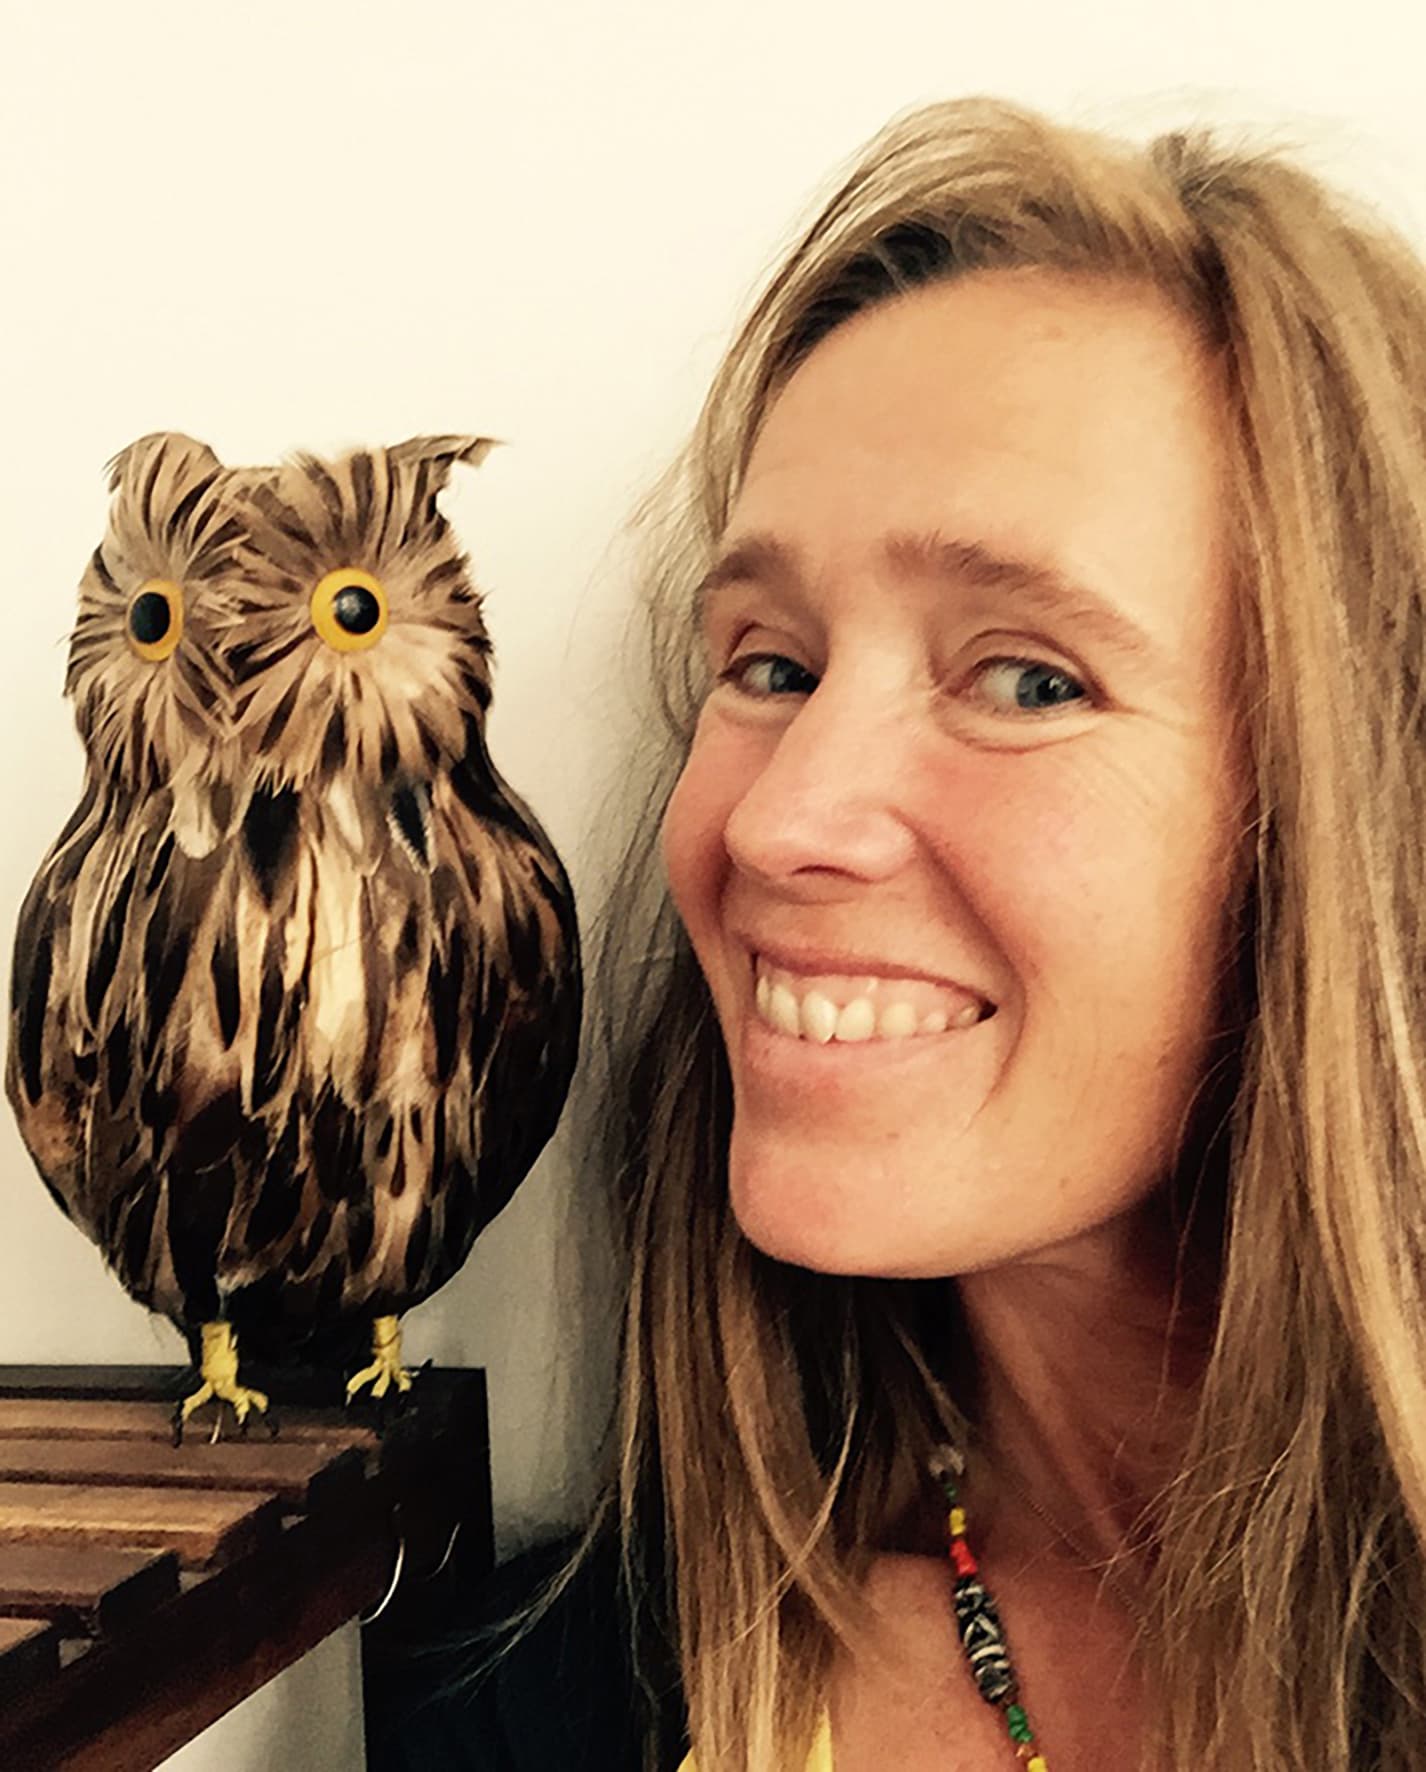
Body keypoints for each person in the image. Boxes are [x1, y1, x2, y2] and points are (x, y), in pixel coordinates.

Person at [365, 96, 1426, 1771]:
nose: (777, 821)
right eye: (768, 665)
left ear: (1355, 815)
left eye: (1023, 678)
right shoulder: (540, 1699)